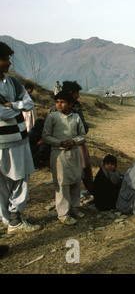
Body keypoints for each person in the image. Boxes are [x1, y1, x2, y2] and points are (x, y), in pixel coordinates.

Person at [0, 41, 41, 234]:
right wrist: (15, 109)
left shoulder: (12, 82)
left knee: (21, 178)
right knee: (2, 182)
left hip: (19, 139)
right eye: (5, 58)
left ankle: (15, 217)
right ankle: (9, 220)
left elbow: (28, 103)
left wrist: (14, 106)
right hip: (2, 142)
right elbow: (2, 113)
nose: (8, 62)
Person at [43, 91, 86, 225]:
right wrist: (60, 142)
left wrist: (73, 141)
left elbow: (82, 135)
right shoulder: (52, 117)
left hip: (74, 152)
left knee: (75, 180)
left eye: (62, 102)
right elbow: (45, 136)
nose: (59, 105)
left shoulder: (76, 118)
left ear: (71, 104)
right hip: (59, 153)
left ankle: (74, 207)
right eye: (57, 102)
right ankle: (63, 213)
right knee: (62, 183)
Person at [56, 81, 94, 195]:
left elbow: (82, 125)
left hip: (78, 141)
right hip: (68, 144)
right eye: (77, 93)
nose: (78, 96)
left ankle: (90, 190)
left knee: (85, 167)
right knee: (78, 168)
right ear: (71, 93)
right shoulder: (60, 108)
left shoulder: (76, 106)